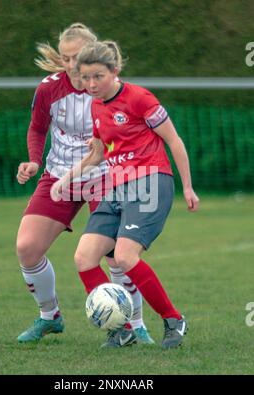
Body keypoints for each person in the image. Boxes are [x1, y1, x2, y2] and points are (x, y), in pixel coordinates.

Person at [51, 40, 200, 349]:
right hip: (117, 187)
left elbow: (174, 141)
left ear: (114, 72)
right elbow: (97, 155)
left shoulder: (140, 98)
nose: (91, 84)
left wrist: (187, 186)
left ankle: (174, 319)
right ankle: (121, 330)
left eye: (98, 77)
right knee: (84, 258)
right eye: (86, 77)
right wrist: (65, 179)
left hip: (150, 182)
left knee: (124, 256)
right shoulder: (95, 105)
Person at [16, 24, 153, 344]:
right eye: (65, 58)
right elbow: (37, 129)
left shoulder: (112, 90)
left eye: (76, 57)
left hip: (104, 175)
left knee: (118, 256)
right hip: (60, 175)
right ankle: (50, 317)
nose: (70, 65)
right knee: (27, 248)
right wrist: (35, 160)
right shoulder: (49, 88)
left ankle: (136, 326)